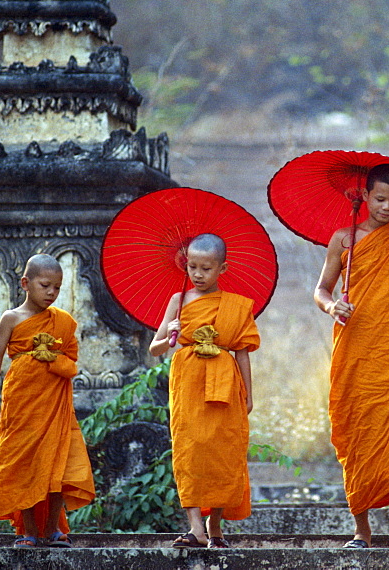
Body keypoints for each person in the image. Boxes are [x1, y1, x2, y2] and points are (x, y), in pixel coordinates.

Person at [315, 163, 389, 549]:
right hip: (356, 357)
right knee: (359, 438)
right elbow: (321, 290)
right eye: (380, 199)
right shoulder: (343, 239)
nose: (387, 207)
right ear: (365, 197)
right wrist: (333, 307)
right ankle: (361, 531)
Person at [148, 233, 259, 550]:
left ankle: (215, 527)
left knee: (223, 454)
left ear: (222, 268)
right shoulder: (177, 302)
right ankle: (195, 528)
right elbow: (156, 350)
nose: (197, 274)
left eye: (206, 268)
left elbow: (242, 352)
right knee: (190, 453)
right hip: (187, 386)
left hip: (225, 386)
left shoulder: (234, 307)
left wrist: (249, 394)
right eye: (192, 267)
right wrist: (170, 332)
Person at [0, 253, 95, 548]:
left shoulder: (63, 322)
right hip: (22, 402)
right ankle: (29, 531)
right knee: (24, 464)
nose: (51, 293)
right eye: (45, 285)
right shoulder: (11, 318)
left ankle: (53, 530)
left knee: (62, 464)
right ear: (26, 283)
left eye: (57, 288)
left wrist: (54, 358)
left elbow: (71, 360)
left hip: (55, 403)